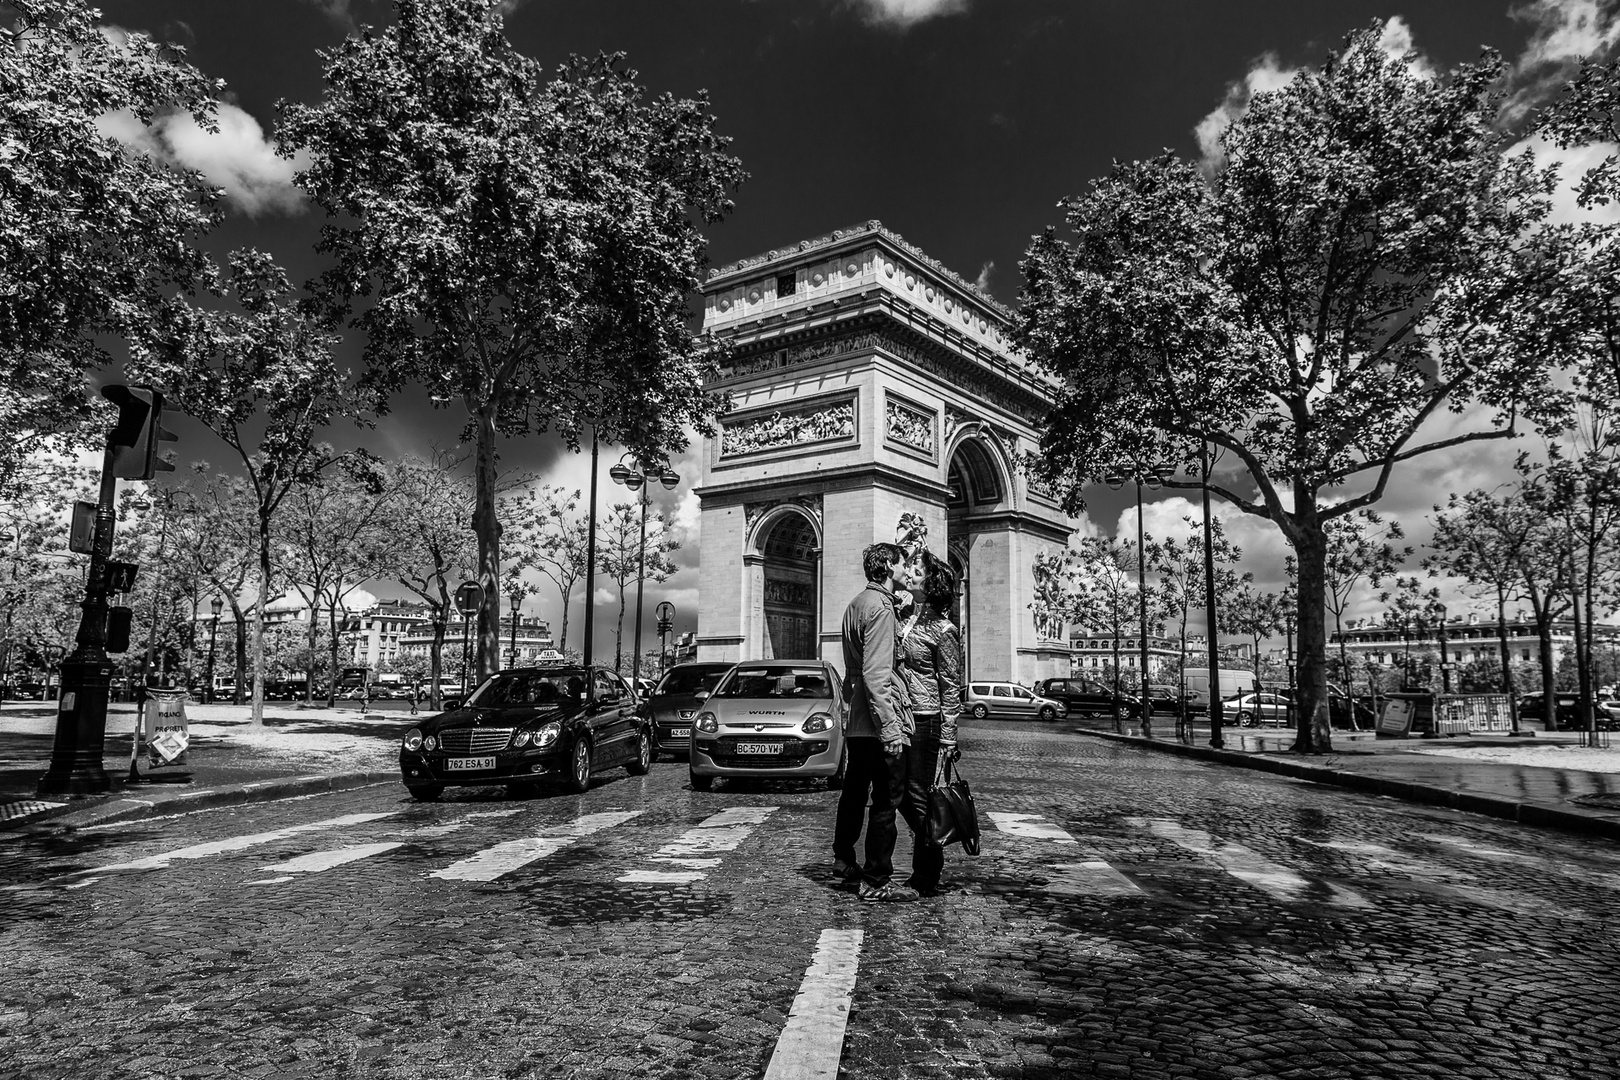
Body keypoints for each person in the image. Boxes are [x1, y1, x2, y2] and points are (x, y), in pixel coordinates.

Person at [834, 542, 918, 903]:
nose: (907, 570)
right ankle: (876, 878)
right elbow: (877, 674)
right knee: (887, 798)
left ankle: (843, 857)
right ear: (886, 565)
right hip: (879, 716)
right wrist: (890, 728)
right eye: (903, 564)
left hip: (856, 716)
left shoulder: (856, 604)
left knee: (854, 789)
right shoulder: (882, 609)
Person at [895, 550, 963, 897]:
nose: (910, 573)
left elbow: (951, 684)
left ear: (931, 582)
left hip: (926, 719)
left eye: (916, 571)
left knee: (918, 795)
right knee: (898, 794)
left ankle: (927, 871)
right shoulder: (905, 616)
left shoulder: (945, 629)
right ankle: (930, 849)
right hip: (903, 716)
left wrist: (949, 736)